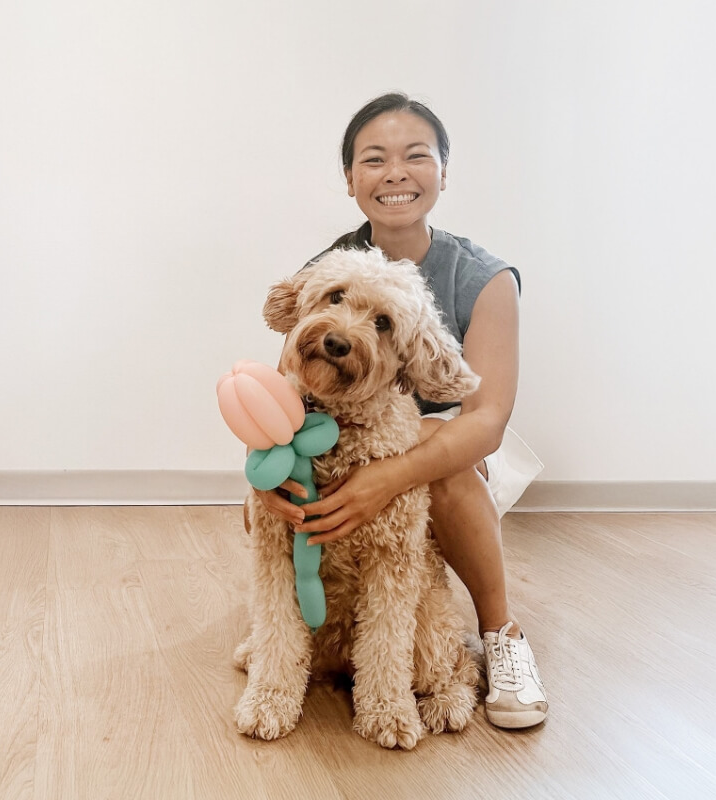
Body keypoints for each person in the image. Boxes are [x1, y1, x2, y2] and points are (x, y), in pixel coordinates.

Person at [256, 92, 549, 729]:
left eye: (416, 156)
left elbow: (487, 419)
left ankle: (501, 634)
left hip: (456, 449)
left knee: (440, 467)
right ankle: (313, 639)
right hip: (340, 434)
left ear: (445, 170)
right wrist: (265, 468)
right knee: (273, 506)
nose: (395, 172)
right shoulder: (328, 266)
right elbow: (289, 385)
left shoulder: (485, 278)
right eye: (373, 158)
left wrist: (388, 476)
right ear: (350, 178)